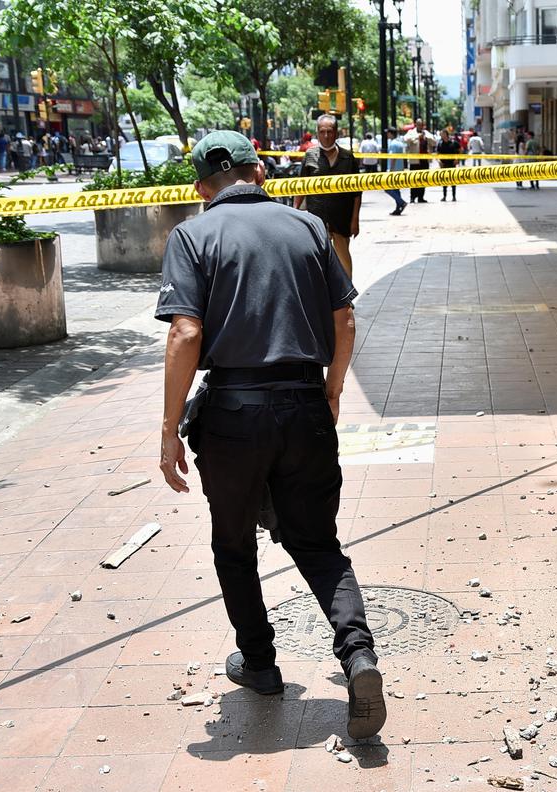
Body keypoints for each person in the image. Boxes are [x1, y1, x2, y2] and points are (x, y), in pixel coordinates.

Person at [155, 130, 387, 740]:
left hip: (232, 413)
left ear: (205, 184)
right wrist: (333, 387)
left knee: (234, 543)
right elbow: (345, 318)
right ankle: (358, 655)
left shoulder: (193, 235)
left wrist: (168, 430)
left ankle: (259, 665)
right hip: (306, 404)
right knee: (317, 544)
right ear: (258, 172)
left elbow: (184, 333)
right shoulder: (308, 228)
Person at [295, 114, 361, 279]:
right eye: (322, 132)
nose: (326, 135)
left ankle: (346, 298)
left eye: (329, 131)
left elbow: (357, 192)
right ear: (317, 133)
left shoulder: (348, 157)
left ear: (336, 133)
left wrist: (355, 220)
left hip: (341, 218)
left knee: (343, 260)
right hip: (317, 218)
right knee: (319, 261)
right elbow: (300, 187)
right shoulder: (310, 156)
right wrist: (294, 212)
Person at [381, 127, 406, 216]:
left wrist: (390, 169)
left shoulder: (393, 144)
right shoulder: (400, 143)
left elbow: (393, 157)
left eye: (388, 133)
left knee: (387, 188)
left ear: (391, 133)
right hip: (399, 169)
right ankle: (398, 207)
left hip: (394, 170)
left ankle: (401, 202)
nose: (387, 135)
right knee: (396, 189)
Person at [436, 126, 462, 201]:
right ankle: (444, 196)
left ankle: (454, 196)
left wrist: (458, 159)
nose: (442, 135)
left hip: (452, 164)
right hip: (444, 165)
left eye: (443, 134)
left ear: (446, 134)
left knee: (453, 181)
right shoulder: (440, 144)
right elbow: (437, 154)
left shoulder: (454, 143)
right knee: (444, 181)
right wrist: (439, 161)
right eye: (441, 134)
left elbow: (460, 150)